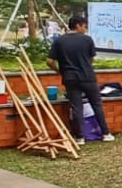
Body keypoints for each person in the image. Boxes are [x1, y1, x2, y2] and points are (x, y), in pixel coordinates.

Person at [47, 15, 115, 143]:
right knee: (96, 105)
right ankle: (106, 133)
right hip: (87, 77)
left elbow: (49, 61)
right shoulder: (87, 40)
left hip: (70, 78)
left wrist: (60, 71)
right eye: (84, 26)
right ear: (78, 25)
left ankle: (80, 137)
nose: (85, 29)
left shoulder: (59, 41)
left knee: (77, 107)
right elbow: (92, 58)